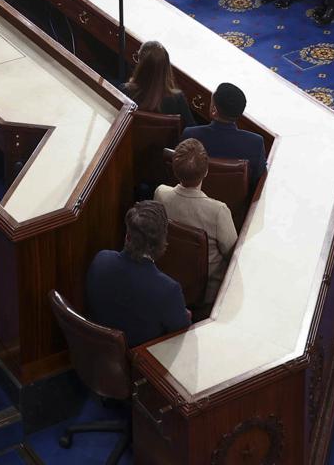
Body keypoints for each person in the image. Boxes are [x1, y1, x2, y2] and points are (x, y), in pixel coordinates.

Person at [84, 200, 190, 348]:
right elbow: (182, 334)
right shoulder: (168, 290)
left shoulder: (101, 259)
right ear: (162, 241)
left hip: (97, 351)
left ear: (128, 235)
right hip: (139, 360)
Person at [153, 138, 237, 302]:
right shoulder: (218, 211)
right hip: (207, 294)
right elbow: (232, 254)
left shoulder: (160, 193)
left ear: (174, 169)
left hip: (167, 278)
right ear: (206, 171)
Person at [183, 82, 267, 190]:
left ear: (214, 110)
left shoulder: (190, 135)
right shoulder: (256, 143)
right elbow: (258, 180)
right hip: (235, 204)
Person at [124, 39, 198, 130]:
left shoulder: (125, 92)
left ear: (141, 66)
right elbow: (192, 133)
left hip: (131, 143)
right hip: (169, 144)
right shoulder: (177, 99)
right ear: (167, 67)